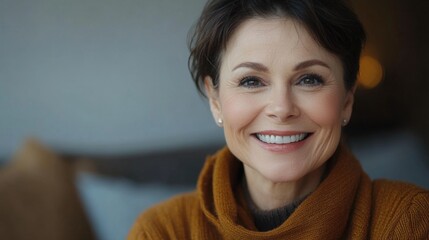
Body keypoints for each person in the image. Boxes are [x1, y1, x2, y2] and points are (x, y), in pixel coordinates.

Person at [128, 0, 429, 239]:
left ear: (346, 101)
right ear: (216, 101)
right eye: (251, 81)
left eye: (309, 79)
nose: (281, 108)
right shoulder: (162, 232)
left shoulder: (409, 221)